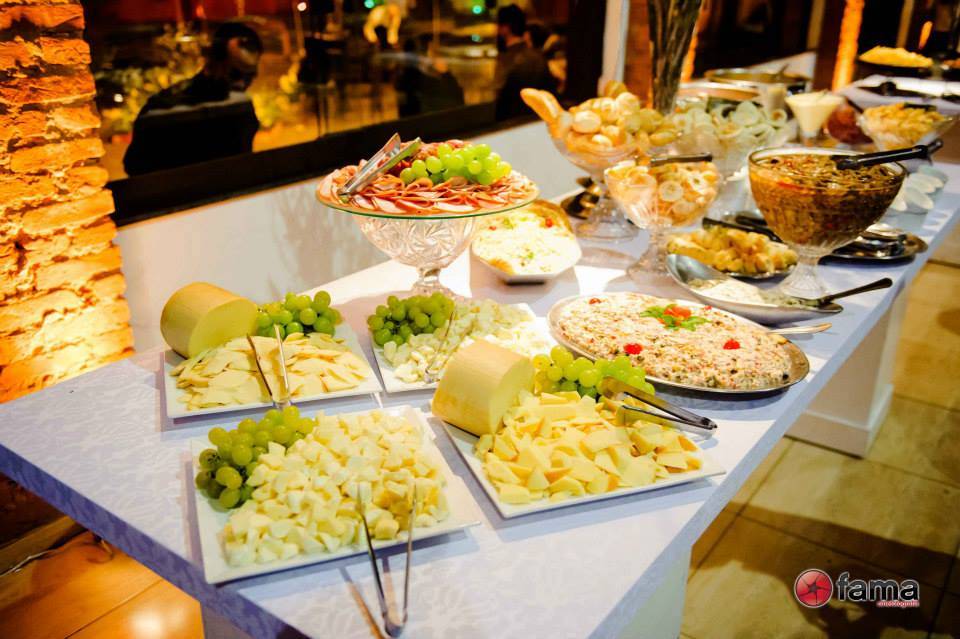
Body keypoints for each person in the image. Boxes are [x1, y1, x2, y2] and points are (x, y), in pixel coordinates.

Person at [123, 22, 263, 175]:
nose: (244, 83)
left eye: (250, 75)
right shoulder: (236, 107)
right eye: (236, 74)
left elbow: (133, 166)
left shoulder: (160, 103)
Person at [494, 4, 556, 121]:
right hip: (539, 120)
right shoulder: (538, 56)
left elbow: (498, 96)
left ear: (505, 28)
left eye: (498, 25)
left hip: (510, 123)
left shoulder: (506, 59)